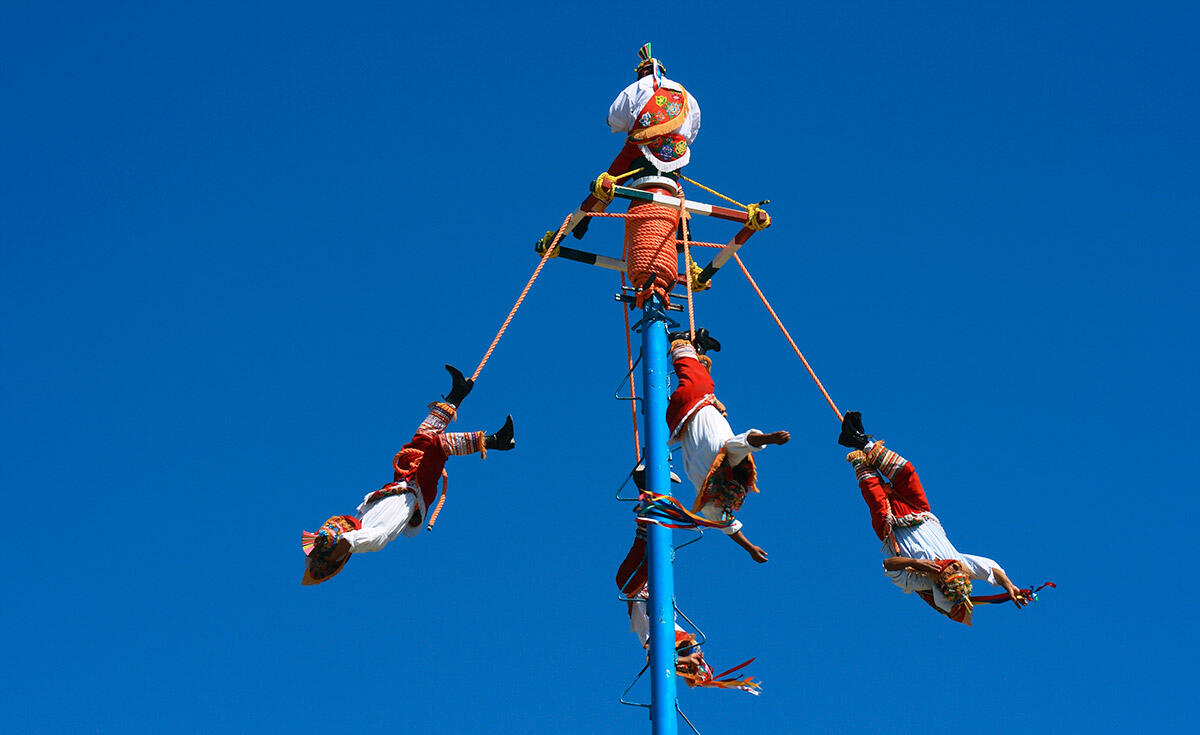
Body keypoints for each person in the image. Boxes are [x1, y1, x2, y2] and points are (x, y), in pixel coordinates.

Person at [301, 365, 515, 586]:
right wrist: (338, 546)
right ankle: (497, 441)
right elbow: (359, 541)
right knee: (437, 446)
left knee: (422, 438)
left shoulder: (362, 516)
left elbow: (348, 540)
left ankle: (457, 393)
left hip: (404, 480)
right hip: (418, 491)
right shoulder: (370, 536)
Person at [838, 411, 1027, 625]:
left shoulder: (922, 581)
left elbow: (888, 564)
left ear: (943, 580)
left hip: (891, 525)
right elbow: (992, 569)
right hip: (919, 511)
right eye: (961, 571)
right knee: (906, 472)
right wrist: (1009, 586)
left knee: (873, 489)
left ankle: (855, 445)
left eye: (954, 571)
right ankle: (862, 441)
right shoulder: (962, 563)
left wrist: (917, 563)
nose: (957, 567)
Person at [666, 328, 789, 563]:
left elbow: (748, 441)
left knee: (699, 380)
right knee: (703, 379)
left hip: (694, 403)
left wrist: (771, 439)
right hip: (688, 415)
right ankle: (697, 347)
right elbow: (728, 525)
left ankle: (679, 341)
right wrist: (750, 548)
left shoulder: (726, 459)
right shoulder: (708, 496)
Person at [573, 43, 701, 240]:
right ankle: (684, 230)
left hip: (642, 147)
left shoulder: (636, 87)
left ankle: (587, 217)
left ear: (642, 72)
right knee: (676, 188)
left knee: (612, 177)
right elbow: (692, 131)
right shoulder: (685, 94)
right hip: (677, 152)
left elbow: (614, 120)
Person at [615, 526, 760, 694]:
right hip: (643, 585)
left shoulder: (662, 639)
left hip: (635, 587)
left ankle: (646, 524)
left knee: (649, 546)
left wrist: (686, 659)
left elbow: (655, 659)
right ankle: (646, 521)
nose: (699, 654)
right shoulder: (677, 634)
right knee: (651, 544)